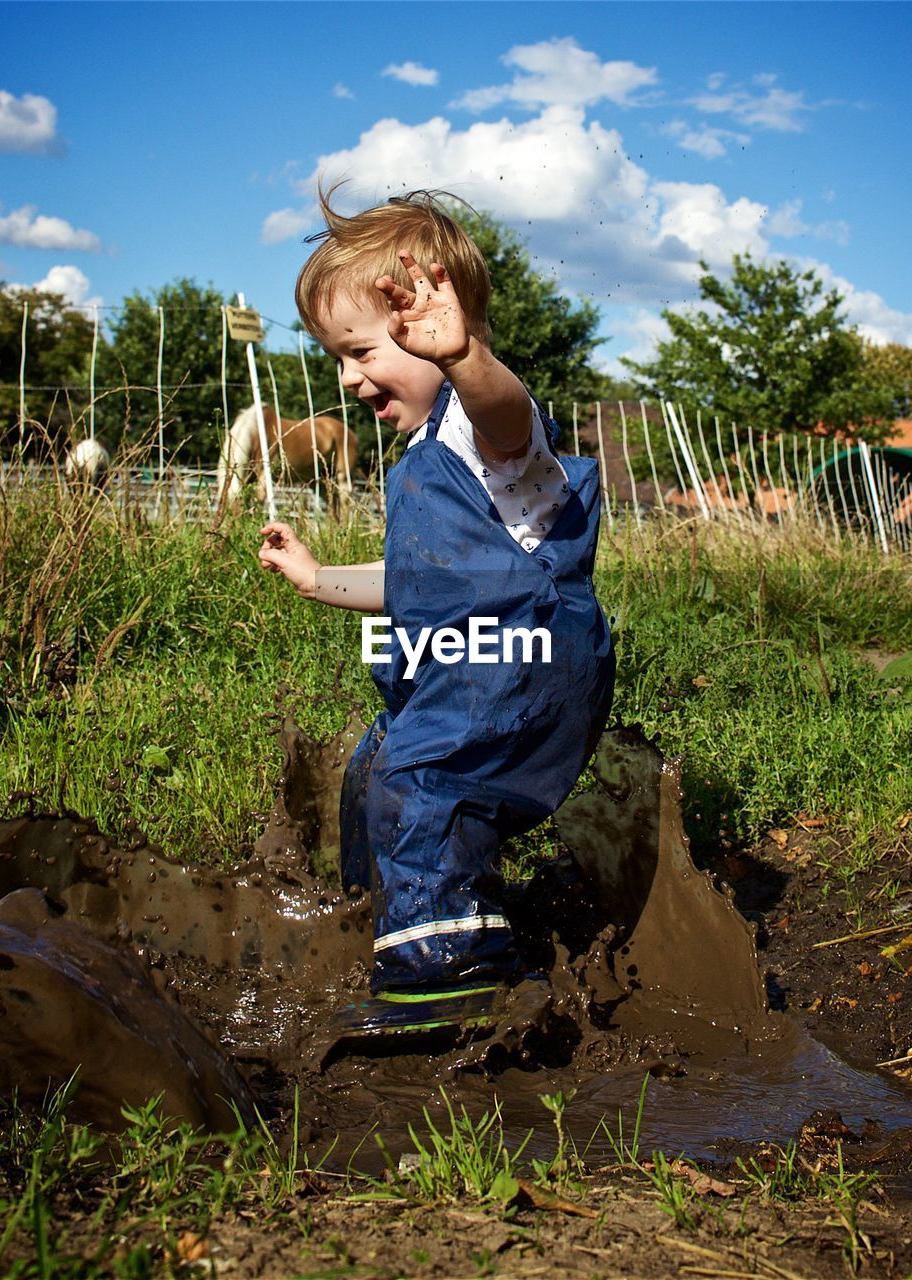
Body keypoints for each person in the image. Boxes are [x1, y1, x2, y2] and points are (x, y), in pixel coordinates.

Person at [258, 189, 614, 1039]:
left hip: (519, 665)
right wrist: (317, 579)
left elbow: (508, 413)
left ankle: (445, 973)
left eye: (362, 350)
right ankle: (398, 922)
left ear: (433, 316)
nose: (348, 378)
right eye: (335, 358)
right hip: (474, 668)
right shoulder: (426, 454)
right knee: (376, 768)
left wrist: (466, 357)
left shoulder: (481, 425)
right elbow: (422, 580)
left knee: (422, 779)